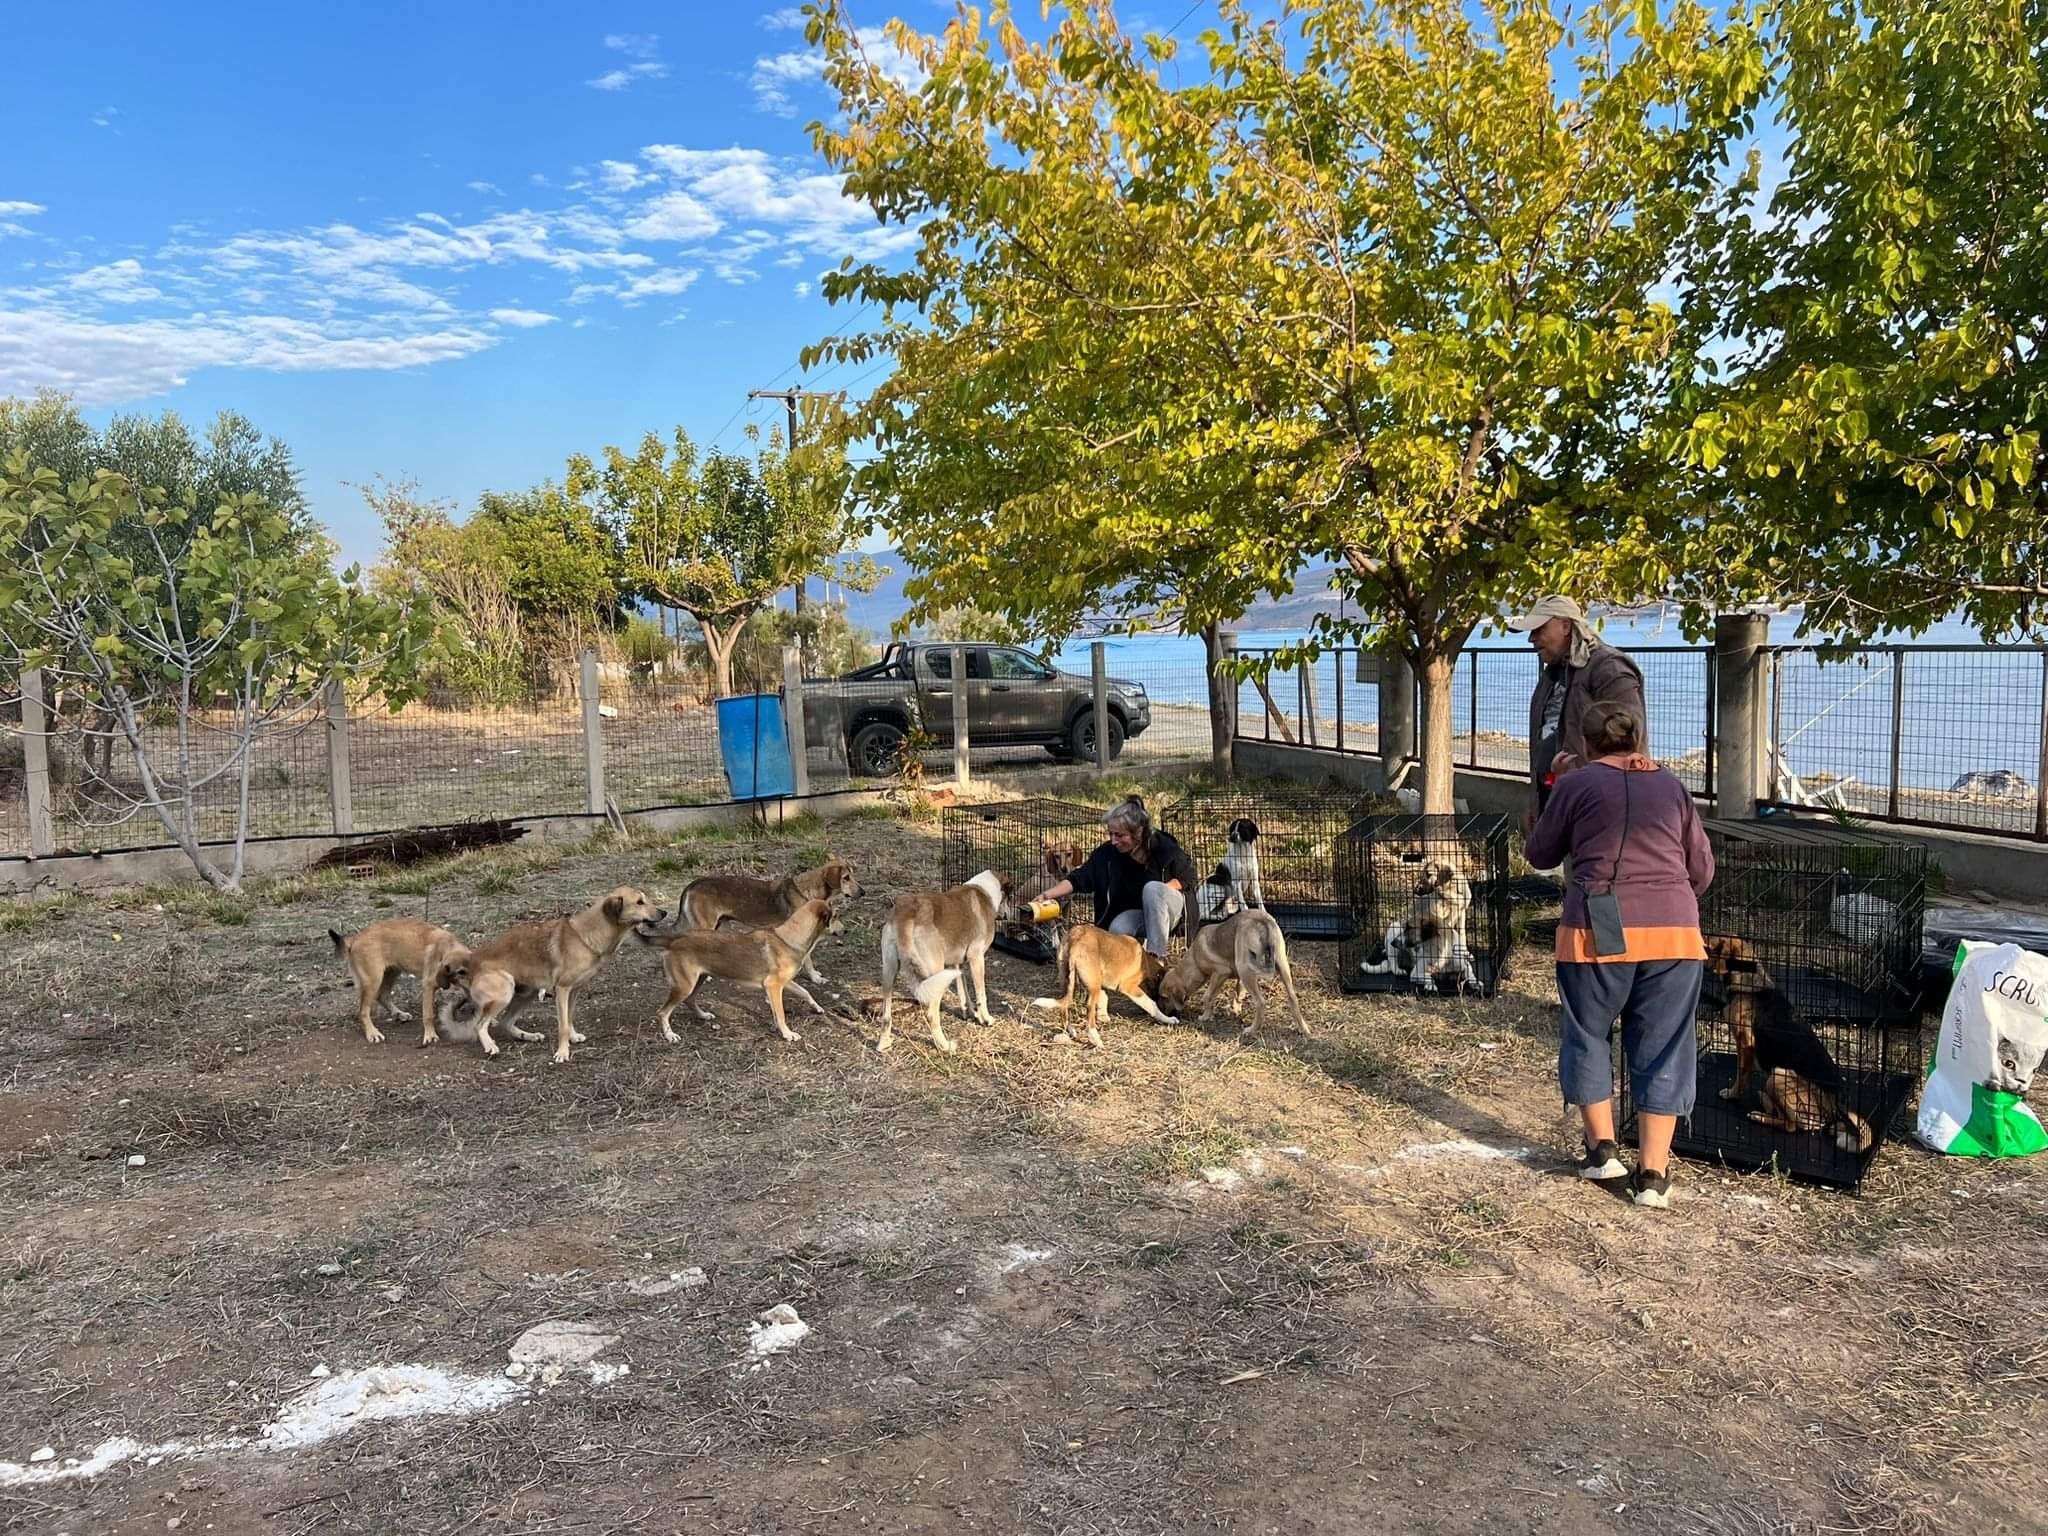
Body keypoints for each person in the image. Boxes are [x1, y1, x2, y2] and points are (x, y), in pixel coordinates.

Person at [1526, 699, 1714, 1210]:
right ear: (1636, 737)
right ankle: (1653, 1174)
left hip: (1599, 920)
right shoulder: (1672, 786)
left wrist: (1554, 785)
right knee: (1666, 1042)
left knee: (1588, 1031)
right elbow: (1701, 870)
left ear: (1586, 744)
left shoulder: (1577, 784)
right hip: (1675, 929)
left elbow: (1540, 854)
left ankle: (1601, 1152)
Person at [1507, 595, 1647, 826]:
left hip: (1601, 807)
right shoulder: (1553, 672)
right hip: (1558, 797)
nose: (1531, 638)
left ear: (1565, 626)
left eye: (1539, 629)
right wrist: (1536, 803)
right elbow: (1545, 736)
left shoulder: (1609, 668)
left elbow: (1629, 741)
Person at [1038, 797, 1198, 959]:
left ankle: (1156, 958)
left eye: (1120, 835)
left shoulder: (1162, 846)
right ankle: (1128, 967)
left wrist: (1155, 899)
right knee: (1117, 926)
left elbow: (1188, 878)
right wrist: (1046, 895)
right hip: (1139, 915)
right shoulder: (1107, 854)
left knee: (1152, 889)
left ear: (1138, 833)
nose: (1113, 841)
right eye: (1111, 834)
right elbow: (1079, 878)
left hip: (1171, 911)